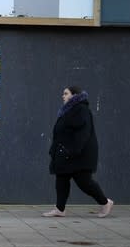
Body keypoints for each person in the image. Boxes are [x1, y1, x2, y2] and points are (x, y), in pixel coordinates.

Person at [43, 86, 113, 218]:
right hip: (65, 153)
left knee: (84, 182)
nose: (63, 96)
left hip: (78, 154)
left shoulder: (81, 109)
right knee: (61, 179)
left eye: (66, 93)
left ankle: (105, 202)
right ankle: (60, 209)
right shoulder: (68, 110)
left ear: (74, 95)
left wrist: (72, 150)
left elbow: (83, 133)